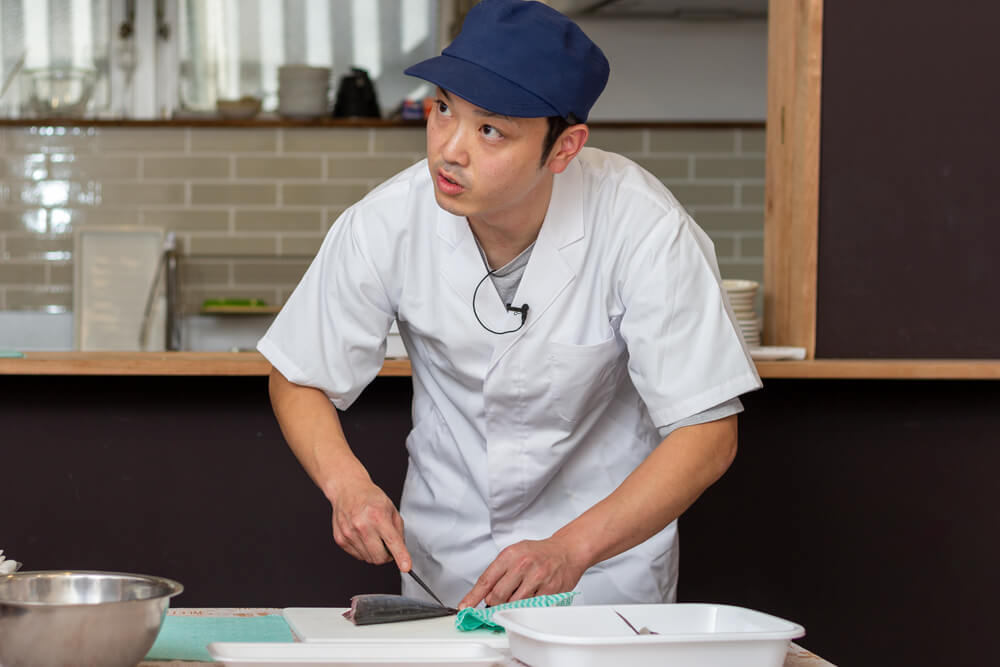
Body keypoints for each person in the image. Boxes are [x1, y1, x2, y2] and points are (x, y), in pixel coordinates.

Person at [258, 0, 761, 610]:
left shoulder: (643, 226)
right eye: (443, 109)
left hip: (602, 575)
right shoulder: (385, 222)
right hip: (444, 563)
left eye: (490, 130)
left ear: (563, 148)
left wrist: (570, 550)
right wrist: (348, 485)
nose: (450, 150)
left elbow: (708, 433)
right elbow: (298, 374)